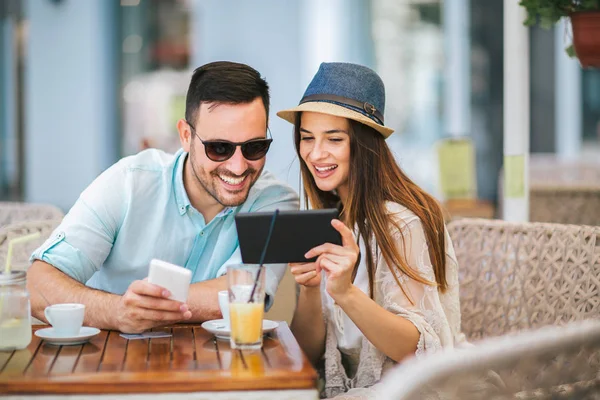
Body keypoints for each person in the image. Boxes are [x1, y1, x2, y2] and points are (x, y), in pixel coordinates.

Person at [28, 61, 299, 334]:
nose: (238, 167)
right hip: (110, 364)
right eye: (219, 148)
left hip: (220, 367)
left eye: (255, 147)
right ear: (185, 135)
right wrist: (117, 311)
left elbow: (242, 293)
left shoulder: (276, 202)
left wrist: (145, 308)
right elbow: (39, 285)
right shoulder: (128, 183)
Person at [277, 62, 465, 398]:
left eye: (334, 139)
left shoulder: (402, 222)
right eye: (307, 138)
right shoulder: (331, 218)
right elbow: (311, 353)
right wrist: (309, 288)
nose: (316, 153)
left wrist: (346, 294)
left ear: (364, 143)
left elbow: (417, 350)